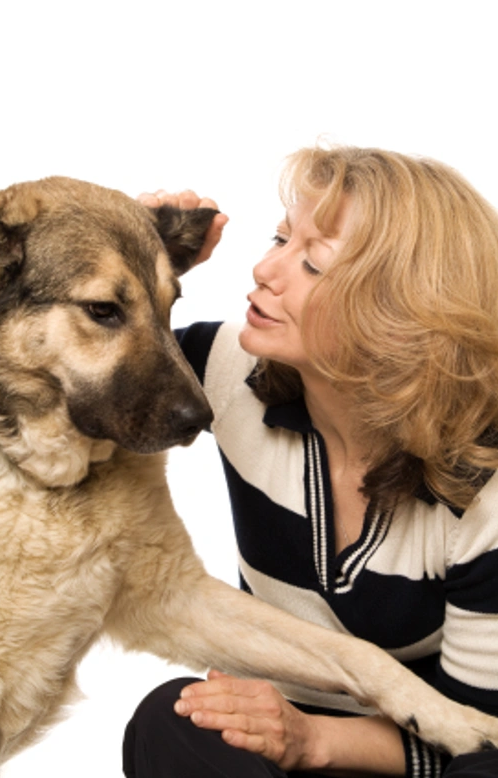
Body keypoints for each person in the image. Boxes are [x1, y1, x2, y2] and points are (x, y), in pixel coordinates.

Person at [123, 145, 498, 777]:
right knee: (174, 720)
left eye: (314, 264)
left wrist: (311, 739)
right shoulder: (226, 372)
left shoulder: (483, 486)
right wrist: (129, 251)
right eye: (278, 237)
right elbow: (69, 375)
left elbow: (480, 736)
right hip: (267, 752)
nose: (266, 268)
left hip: (416, 759)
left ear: (402, 313)